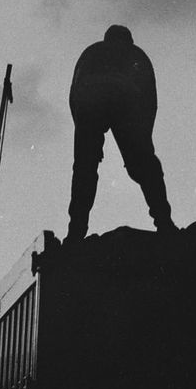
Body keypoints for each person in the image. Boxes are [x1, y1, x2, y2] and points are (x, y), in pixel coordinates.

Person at [66, 25, 175, 242]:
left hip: (89, 104)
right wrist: (143, 143)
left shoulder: (90, 52)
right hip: (126, 100)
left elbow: (74, 94)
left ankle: (76, 231)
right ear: (129, 40)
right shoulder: (137, 54)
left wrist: (86, 138)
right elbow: (150, 101)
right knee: (146, 167)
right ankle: (164, 222)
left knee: (84, 169)